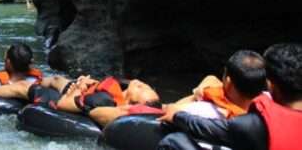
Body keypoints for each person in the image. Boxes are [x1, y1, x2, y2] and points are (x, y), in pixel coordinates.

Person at [158, 43, 302, 150]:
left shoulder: (258, 124)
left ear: (270, 84)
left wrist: (177, 115)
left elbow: (210, 128)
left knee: (173, 141)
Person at [32, 74, 161, 127]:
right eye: (148, 86)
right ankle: (38, 79)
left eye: (140, 88)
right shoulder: (119, 91)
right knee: (57, 79)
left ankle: (26, 83)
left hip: (73, 95)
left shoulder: (102, 100)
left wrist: (79, 86)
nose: (141, 84)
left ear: (129, 103)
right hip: (87, 90)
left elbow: (62, 104)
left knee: (56, 80)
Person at [173, 50, 266, 119]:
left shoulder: (204, 110)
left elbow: (169, 112)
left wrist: (196, 96)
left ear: (228, 83)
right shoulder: (268, 112)